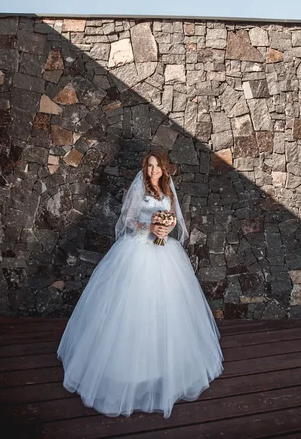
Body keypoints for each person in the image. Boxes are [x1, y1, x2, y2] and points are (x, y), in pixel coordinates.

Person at [57, 149, 224, 419]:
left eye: (157, 166)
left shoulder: (169, 193)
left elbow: (174, 222)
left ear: (165, 169)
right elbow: (127, 219)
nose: (152, 171)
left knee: (166, 308)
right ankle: (124, 369)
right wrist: (150, 227)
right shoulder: (139, 190)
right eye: (149, 166)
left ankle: (163, 368)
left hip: (165, 253)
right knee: (131, 308)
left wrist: (165, 228)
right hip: (137, 251)